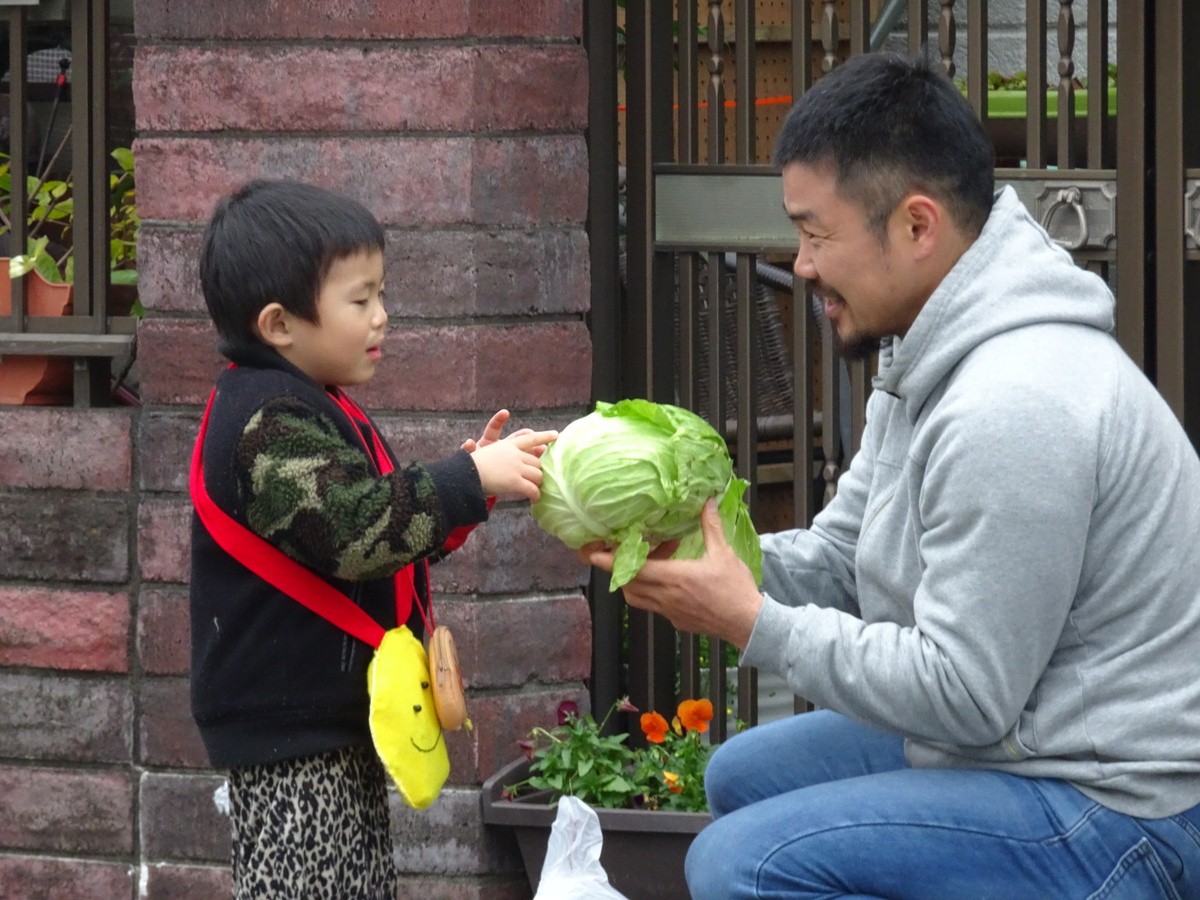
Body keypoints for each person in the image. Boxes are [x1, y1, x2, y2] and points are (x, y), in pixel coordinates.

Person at [583, 52, 1200, 898]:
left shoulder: (1014, 404)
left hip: (1120, 809)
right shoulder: (928, 351)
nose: (800, 264)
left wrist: (753, 622)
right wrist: (698, 548)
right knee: (744, 773)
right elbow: (843, 559)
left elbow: (965, 692)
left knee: (738, 865)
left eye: (816, 233)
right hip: (1026, 739)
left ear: (916, 226)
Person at [188, 178, 557, 898]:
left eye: (380, 295)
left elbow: (355, 537)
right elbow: (353, 531)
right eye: (360, 301)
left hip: (323, 723)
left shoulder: (300, 402)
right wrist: (464, 479)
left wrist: (467, 486)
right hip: (289, 738)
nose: (382, 317)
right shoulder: (265, 420)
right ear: (279, 324)